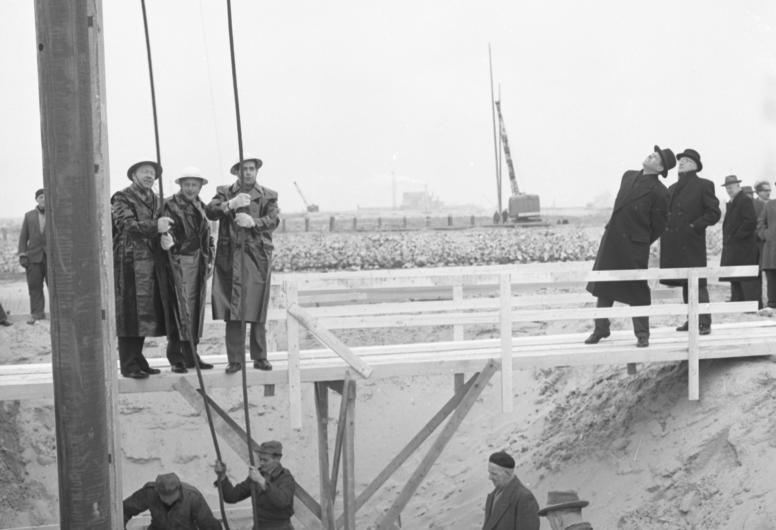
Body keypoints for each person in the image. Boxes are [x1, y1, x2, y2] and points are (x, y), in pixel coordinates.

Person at [585, 146, 673, 348]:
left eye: (655, 157)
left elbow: (659, 225)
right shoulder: (628, 176)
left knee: (637, 289)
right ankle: (601, 329)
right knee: (604, 285)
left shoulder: (660, 192)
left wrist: (639, 239)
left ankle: (642, 334)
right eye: (652, 153)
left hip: (634, 245)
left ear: (660, 168)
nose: (650, 155)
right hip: (612, 240)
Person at [206, 154, 279, 374]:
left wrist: (253, 222)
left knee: (257, 307)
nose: (248, 172)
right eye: (243, 169)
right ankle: (235, 360)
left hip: (257, 257)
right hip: (231, 257)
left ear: (256, 171)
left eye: (251, 168)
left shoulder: (268, 195)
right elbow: (210, 211)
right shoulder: (224, 192)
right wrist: (230, 204)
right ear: (236, 172)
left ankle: (260, 357)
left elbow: (273, 220)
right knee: (234, 308)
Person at [112, 160, 172, 379]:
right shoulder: (122, 198)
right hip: (128, 261)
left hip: (151, 262)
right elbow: (126, 225)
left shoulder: (157, 200)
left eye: (152, 173)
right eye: (144, 172)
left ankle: (138, 358)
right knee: (129, 311)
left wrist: (166, 237)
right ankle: (128, 364)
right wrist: (156, 227)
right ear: (133, 175)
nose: (149, 176)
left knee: (145, 311)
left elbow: (164, 226)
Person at [658, 148, 720, 335]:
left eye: (686, 160)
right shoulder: (672, 188)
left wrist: (694, 227)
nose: (682, 162)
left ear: (695, 165)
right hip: (673, 242)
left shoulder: (704, 185)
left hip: (691, 242)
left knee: (698, 283)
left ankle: (704, 322)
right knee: (686, 283)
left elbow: (714, 213)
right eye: (681, 160)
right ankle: (692, 320)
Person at [162, 167, 215, 373]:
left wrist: (209, 257)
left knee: (195, 308)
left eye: (194, 185)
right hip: (178, 260)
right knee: (179, 307)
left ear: (200, 186)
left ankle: (192, 354)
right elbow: (166, 232)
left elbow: (208, 236)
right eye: (187, 184)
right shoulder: (169, 204)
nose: (190, 188)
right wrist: (167, 243)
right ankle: (176, 357)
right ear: (180, 185)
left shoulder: (202, 206)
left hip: (198, 263)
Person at [214, 440, 295, 529]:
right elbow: (232, 496)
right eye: (260, 459)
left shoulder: (285, 478)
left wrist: (261, 481)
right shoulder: (257, 475)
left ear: (277, 459)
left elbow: (282, 502)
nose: (261, 463)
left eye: (265, 460)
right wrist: (222, 476)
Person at [123, 472, 222, 529]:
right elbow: (124, 510)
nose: (168, 500)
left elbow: (210, 526)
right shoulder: (150, 493)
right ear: (157, 492)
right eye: (164, 496)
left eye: (171, 495)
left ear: (179, 489)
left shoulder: (192, 497)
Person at [720, 175, 760, 304]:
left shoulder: (744, 200)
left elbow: (750, 221)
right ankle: (737, 300)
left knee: (745, 276)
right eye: (727, 188)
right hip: (735, 247)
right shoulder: (733, 202)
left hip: (743, 247)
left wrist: (736, 236)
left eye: (731, 187)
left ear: (738, 186)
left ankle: (750, 303)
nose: (729, 190)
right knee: (735, 275)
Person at [482, 450, 539, 530]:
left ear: (508, 473)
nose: (490, 478)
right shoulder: (494, 494)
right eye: (489, 473)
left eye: (494, 474)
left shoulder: (524, 498)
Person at [18, 188, 47, 325]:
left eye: (46, 196)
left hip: (51, 258)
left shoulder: (55, 215)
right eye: (41, 197)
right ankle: (37, 314)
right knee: (35, 287)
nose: (44, 199)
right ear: (36, 199)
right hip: (33, 258)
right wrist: (23, 255)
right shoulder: (29, 216)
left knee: (55, 287)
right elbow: (23, 238)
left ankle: (58, 314)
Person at [757, 180, 776, 312]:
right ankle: (772, 305)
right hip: (772, 249)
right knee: (772, 278)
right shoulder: (770, 205)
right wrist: (766, 234)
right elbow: (760, 223)